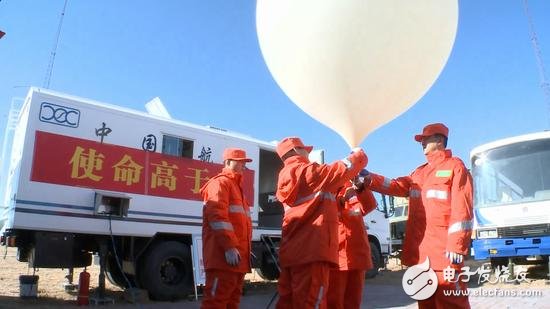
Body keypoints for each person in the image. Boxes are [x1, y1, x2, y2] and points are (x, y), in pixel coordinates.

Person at [365, 123, 473, 308]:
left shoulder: (455, 167)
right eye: (421, 140)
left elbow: (462, 210)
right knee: (425, 301)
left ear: (439, 140)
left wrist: (457, 246)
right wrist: (368, 178)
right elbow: (396, 185)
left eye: (425, 139)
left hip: (444, 253)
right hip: (421, 254)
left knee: (452, 302)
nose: (421, 142)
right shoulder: (419, 173)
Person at [274, 137, 368, 309]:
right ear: (295, 151)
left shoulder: (288, 175)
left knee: (288, 302)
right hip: (313, 251)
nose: (308, 154)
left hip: (293, 251)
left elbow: (322, 191)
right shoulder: (304, 171)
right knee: (312, 302)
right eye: (305, 150)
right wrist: (358, 155)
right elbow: (339, 169)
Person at [200, 148, 253, 309]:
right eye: (241, 161)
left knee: (231, 302)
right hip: (223, 258)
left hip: (235, 260)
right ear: (228, 162)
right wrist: (229, 247)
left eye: (245, 162)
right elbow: (217, 216)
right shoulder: (220, 183)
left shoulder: (236, 188)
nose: (244, 165)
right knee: (216, 303)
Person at [327, 171, 378, 309]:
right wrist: (340, 201)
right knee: (334, 301)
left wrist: (361, 189)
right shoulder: (328, 187)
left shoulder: (354, 187)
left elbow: (369, 206)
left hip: (357, 255)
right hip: (337, 257)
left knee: (354, 302)